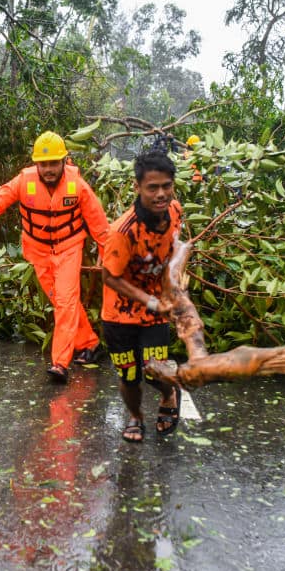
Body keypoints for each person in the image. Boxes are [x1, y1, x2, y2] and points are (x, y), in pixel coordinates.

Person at [0, 131, 110, 383]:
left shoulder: (77, 186)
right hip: (38, 251)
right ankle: (91, 343)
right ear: (36, 164)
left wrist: (108, 253)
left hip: (68, 248)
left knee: (65, 301)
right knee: (62, 301)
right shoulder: (24, 182)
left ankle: (60, 364)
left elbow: (99, 223)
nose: (49, 169)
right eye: (44, 164)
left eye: (54, 163)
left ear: (64, 161)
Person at [101, 150, 184, 442]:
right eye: (153, 187)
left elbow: (178, 247)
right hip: (119, 314)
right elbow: (108, 276)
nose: (161, 194)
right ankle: (135, 416)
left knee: (156, 371)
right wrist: (150, 300)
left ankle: (169, 395)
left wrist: (173, 286)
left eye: (167, 186)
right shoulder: (123, 232)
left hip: (155, 313)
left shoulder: (175, 210)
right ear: (137, 188)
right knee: (129, 377)